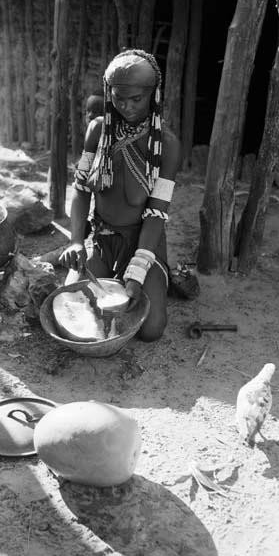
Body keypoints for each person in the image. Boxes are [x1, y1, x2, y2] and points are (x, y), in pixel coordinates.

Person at [59, 49, 182, 342]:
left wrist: (139, 269)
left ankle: (150, 279)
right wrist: (76, 239)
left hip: (143, 245)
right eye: (118, 97)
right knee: (72, 308)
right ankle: (110, 277)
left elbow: (157, 212)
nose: (126, 106)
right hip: (102, 241)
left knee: (150, 330)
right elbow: (81, 189)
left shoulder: (167, 144)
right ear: (108, 91)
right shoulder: (97, 131)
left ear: (153, 95)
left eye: (136, 99)